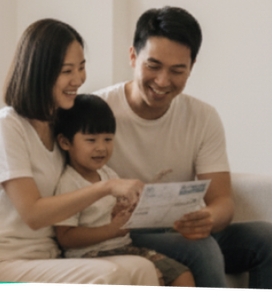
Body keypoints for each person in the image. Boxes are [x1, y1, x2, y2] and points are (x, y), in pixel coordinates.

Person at [93, 6, 272, 290]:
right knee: (201, 250)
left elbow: (223, 201)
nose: (163, 81)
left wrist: (207, 219)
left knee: (271, 239)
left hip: (179, 229)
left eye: (177, 70)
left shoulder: (202, 117)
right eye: (153, 66)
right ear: (132, 57)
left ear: (191, 67)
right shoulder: (96, 112)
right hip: (124, 234)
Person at [0, 18, 158, 286]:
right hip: (2, 260)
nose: (78, 79)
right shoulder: (6, 127)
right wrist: (108, 187)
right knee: (110, 277)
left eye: (81, 67)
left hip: (51, 256)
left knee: (142, 268)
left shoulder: (60, 125)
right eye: (67, 70)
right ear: (40, 73)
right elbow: (33, 214)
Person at [52, 94, 195, 288]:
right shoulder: (69, 183)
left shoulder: (108, 173)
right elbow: (65, 237)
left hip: (124, 248)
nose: (101, 148)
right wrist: (111, 230)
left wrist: (131, 209)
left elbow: (117, 212)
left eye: (108, 139)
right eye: (91, 140)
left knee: (182, 276)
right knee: (155, 278)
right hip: (89, 256)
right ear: (65, 143)